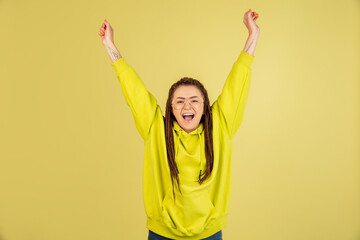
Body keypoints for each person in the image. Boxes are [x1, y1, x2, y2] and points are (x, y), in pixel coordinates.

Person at [98, 9, 260, 240]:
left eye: (194, 100)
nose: (187, 106)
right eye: (180, 101)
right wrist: (109, 44)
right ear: (171, 109)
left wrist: (253, 34)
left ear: (205, 107)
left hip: (209, 233)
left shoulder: (220, 126)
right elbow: (134, 90)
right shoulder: (156, 129)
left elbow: (238, 79)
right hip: (162, 233)